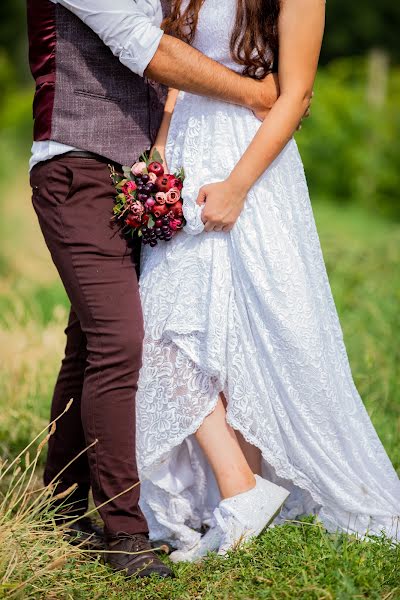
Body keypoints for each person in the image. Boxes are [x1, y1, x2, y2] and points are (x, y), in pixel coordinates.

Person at [27, 0, 293, 579]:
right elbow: (144, 47)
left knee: (91, 342)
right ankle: (125, 535)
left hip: (138, 175)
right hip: (77, 165)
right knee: (124, 340)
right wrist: (254, 93)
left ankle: (63, 505)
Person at [136, 0, 400, 563]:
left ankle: (241, 502)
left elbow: (296, 93)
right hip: (186, 148)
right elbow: (176, 61)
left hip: (250, 158)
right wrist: (159, 147)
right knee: (166, 326)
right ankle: (239, 496)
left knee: (247, 329)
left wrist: (237, 185)